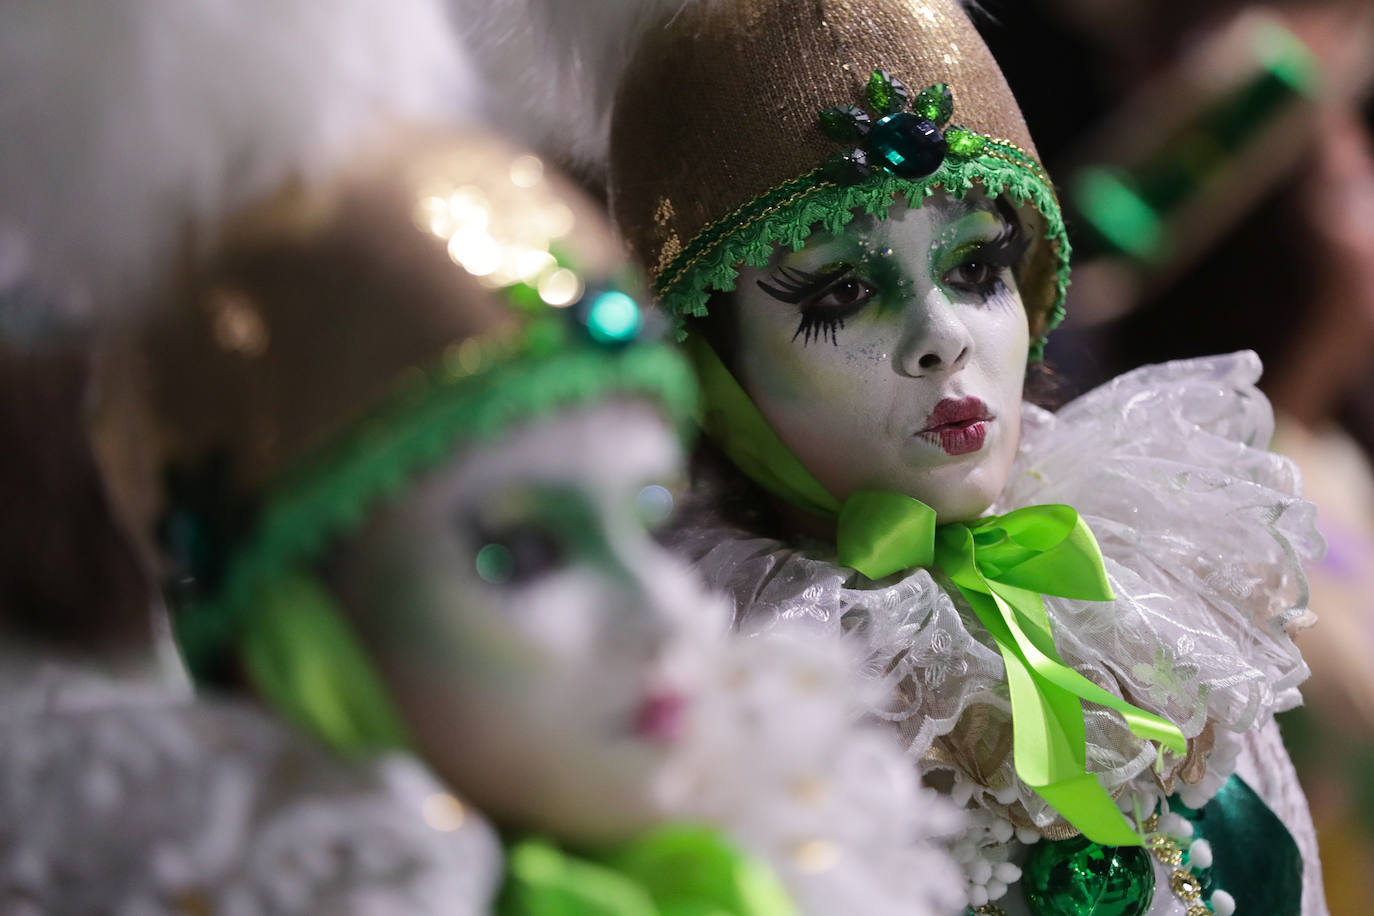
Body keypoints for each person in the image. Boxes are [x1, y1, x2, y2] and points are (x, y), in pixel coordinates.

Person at [0, 3, 966, 912]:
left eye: (651, 518)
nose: (667, 610)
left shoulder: (807, 852)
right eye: (522, 553)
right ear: (301, 631)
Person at [588, 0, 1327, 912]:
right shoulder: (700, 709)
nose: (940, 338)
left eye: (977, 268)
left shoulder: (1146, 605)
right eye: (844, 290)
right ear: (708, 363)